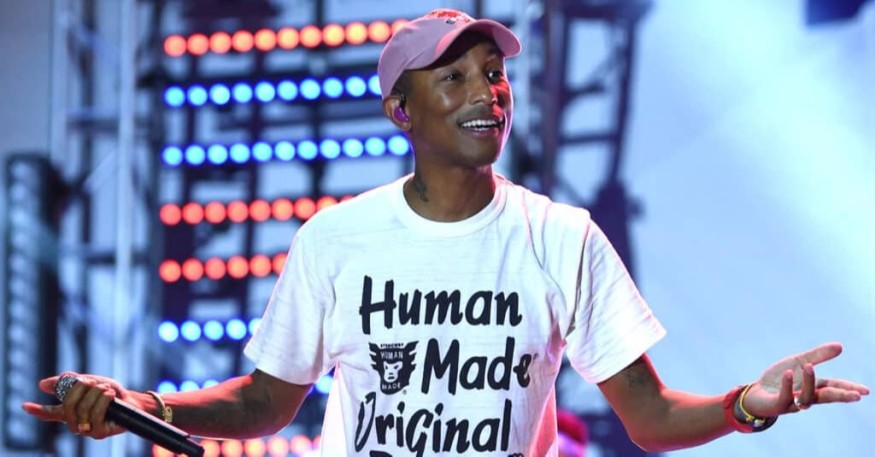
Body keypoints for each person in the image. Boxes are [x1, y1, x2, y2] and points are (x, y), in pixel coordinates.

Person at [23, 8, 868, 457]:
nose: (486, 92)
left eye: (493, 73)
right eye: (453, 77)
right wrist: (147, 405)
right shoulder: (337, 239)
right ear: (402, 110)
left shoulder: (560, 237)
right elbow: (261, 403)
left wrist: (747, 404)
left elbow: (646, 417)